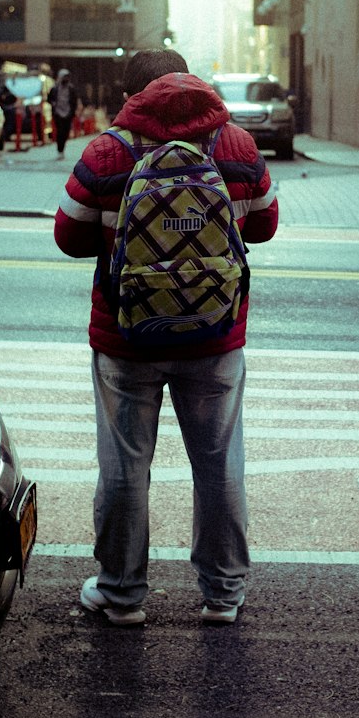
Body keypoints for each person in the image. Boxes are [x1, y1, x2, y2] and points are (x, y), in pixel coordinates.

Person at [53, 48, 279, 626]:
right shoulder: (236, 146)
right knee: (219, 464)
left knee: (126, 467)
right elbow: (264, 226)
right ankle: (223, 594)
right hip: (214, 335)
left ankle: (122, 594)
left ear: (132, 94)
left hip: (128, 339)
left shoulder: (110, 150)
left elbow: (70, 236)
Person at [48, 68, 80, 158]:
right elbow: (49, 99)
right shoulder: (54, 89)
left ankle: (62, 148)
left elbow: (74, 101)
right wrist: (53, 104)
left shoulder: (71, 89)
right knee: (60, 131)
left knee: (66, 132)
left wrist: (73, 111)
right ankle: (59, 150)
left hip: (68, 113)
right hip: (58, 113)